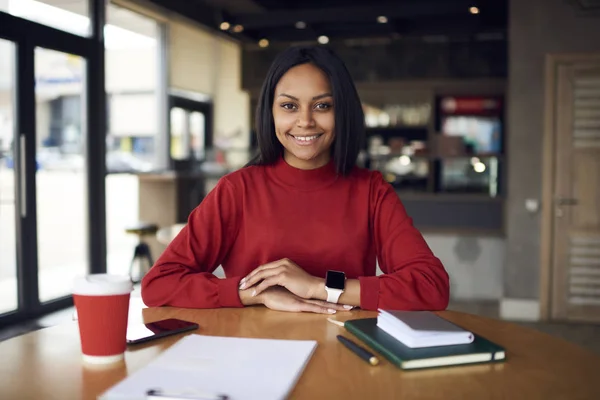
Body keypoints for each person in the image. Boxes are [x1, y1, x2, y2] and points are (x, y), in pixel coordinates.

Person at [141, 46, 449, 314]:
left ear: (342, 112)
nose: (305, 121)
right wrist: (255, 294)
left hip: (347, 354)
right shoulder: (237, 190)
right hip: (252, 355)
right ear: (270, 113)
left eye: (322, 105)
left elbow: (431, 286)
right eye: (289, 106)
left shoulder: (371, 191)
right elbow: (160, 284)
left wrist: (318, 287)